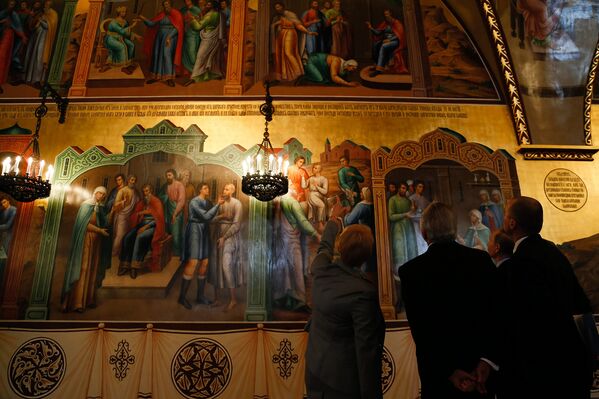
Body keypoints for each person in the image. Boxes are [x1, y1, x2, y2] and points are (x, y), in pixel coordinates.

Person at [399, 202, 499, 398]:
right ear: (454, 230)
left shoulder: (411, 271)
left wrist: (448, 371)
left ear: (424, 233)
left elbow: (421, 330)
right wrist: (487, 361)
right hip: (480, 375)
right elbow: (497, 314)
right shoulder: (481, 261)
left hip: (439, 378)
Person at [500, 196, 592, 398]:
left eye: (506, 215)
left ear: (512, 223)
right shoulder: (553, 251)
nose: (504, 219)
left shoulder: (520, 262)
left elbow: (522, 319)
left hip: (541, 367)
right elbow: (580, 302)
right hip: (571, 358)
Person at [305, 218, 385, 399]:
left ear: (339, 247)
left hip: (315, 371)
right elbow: (367, 352)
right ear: (367, 254)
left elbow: (324, 247)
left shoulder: (320, 269)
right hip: (344, 384)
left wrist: (333, 220)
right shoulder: (363, 292)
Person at [61, 187, 111, 313]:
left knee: (92, 270)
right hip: (85, 240)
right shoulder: (86, 205)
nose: (102, 196)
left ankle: (88, 300)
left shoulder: (98, 207)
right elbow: (84, 225)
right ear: (95, 193)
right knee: (83, 269)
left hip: (96, 242)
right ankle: (77, 302)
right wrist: (99, 230)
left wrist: (113, 210)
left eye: (104, 195)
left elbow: (104, 222)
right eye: (100, 194)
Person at [271, 185, 320, 311]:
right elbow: (302, 221)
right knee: (296, 269)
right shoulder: (292, 202)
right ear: (290, 190)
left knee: (285, 269)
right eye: (293, 187)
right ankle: (299, 301)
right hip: (292, 240)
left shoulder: (279, 202)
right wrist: (315, 234)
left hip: (282, 239)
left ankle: (285, 299)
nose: (296, 190)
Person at [178, 182, 223, 309]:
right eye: (205, 188)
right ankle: (182, 297)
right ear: (200, 190)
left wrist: (221, 217)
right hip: (195, 231)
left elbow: (210, 219)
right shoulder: (194, 202)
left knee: (205, 262)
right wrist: (218, 205)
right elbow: (206, 216)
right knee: (193, 262)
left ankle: (200, 296)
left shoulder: (208, 203)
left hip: (204, 231)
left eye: (208, 187)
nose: (207, 189)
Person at [119, 184, 166, 278]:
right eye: (144, 191)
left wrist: (146, 226)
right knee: (127, 237)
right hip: (141, 225)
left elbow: (159, 220)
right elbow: (135, 214)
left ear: (151, 191)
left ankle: (134, 267)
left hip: (153, 227)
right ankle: (125, 265)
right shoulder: (142, 202)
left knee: (140, 237)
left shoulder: (157, 202)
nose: (145, 193)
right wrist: (140, 214)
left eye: (147, 191)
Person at [209, 183, 243, 311]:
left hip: (230, 237)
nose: (224, 190)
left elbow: (237, 225)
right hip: (218, 235)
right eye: (224, 188)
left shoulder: (237, 204)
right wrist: (221, 215)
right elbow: (211, 220)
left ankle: (233, 299)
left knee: (226, 265)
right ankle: (217, 299)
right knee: (215, 266)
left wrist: (225, 237)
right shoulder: (219, 203)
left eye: (227, 189)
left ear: (232, 191)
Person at [140, 0, 184, 87]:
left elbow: (178, 28)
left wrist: (169, 37)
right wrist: (142, 18)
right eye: (164, 5)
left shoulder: (176, 14)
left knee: (166, 55)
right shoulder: (161, 14)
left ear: (171, 5)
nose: (166, 7)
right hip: (159, 37)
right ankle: (156, 76)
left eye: (167, 5)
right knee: (157, 55)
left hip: (170, 38)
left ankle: (169, 78)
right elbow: (151, 24)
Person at [270, 1, 317, 82]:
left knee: (288, 53)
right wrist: (275, 25)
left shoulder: (290, 14)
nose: (277, 9)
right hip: (281, 36)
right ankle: (289, 75)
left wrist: (308, 32)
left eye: (278, 7)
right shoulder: (277, 17)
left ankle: (299, 74)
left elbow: (298, 25)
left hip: (290, 33)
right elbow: (277, 24)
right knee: (283, 54)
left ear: (282, 7)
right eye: (276, 8)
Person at [184, 0, 225, 84]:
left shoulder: (210, 15)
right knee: (212, 56)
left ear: (212, 5)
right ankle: (215, 74)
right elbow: (205, 22)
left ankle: (194, 77)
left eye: (208, 4)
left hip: (208, 38)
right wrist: (198, 19)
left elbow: (198, 26)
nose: (206, 5)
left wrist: (192, 19)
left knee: (200, 56)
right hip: (214, 37)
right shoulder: (217, 13)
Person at [22, 0, 57, 87]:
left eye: (47, 5)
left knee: (40, 58)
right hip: (37, 38)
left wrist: (41, 20)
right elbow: (34, 25)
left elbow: (48, 26)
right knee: (33, 58)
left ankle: (37, 79)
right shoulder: (42, 14)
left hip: (44, 40)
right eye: (45, 5)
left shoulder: (53, 14)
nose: (45, 7)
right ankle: (29, 78)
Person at [366, 9, 408, 77]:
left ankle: (379, 70)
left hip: (396, 42)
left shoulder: (397, 23)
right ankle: (378, 64)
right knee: (376, 45)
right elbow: (378, 33)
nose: (386, 16)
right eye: (385, 14)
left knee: (384, 46)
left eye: (387, 14)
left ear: (391, 14)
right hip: (387, 41)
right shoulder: (385, 23)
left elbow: (399, 35)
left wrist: (390, 40)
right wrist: (371, 28)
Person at [388, 182, 416, 273]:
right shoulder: (392, 200)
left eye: (405, 189)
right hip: (398, 228)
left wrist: (413, 211)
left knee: (411, 249)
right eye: (403, 188)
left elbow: (411, 214)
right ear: (399, 189)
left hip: (408, 227)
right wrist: (405, 214)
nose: (404, 190)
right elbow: (391, 216)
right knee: (399, 250)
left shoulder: (408, 201)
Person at [103, 6, 141, 72]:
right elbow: (122, 31)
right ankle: (124, 66)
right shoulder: (113, 22)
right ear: (119, 13)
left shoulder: (125, 22)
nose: (125, 13)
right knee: (122, 47)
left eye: (125, 12)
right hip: (111, 39)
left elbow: (126, 33)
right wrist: (132, 26)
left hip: (120, 37)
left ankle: (129, 63)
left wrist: (136, 36)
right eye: (123, 12)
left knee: (131, 45)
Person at [111, 173, 140, 259]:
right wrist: (123, 202)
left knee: (127, 235)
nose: (133, 182)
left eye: (134, 180)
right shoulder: (122, 190)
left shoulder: (136, 192)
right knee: (120, 235)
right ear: (128, 180)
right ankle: (113, 253)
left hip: (131, 217)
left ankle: (121, 253)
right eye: (132, 180)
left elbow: (138, 203)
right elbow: (115, 204)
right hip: (122, 216)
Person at [0, 0, 26, 94]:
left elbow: (17, 27)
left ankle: (1, 81)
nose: (11, 6)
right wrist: (2, 21)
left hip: (8, 38)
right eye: (10, 4)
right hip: (2, 36)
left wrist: (22, 36)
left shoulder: (14, 14)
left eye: (13, 5)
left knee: (4, 58)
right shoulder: (3, 13)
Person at [159, 168, 186, 256]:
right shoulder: (164, 186)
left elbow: (181, 201)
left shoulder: (179, 185)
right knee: (168, 233)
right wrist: (165, 197)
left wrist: (175, 214)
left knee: (176, 234)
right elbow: (159, 197)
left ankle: (177, 255)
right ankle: (169, 254)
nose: (168, 177)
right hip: (167, 212)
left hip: (176, 211)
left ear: (174, 175)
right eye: (167, 176)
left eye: (169, 175)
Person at [180, 0, 202, 75]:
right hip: (185, 33)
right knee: (186, 52)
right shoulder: (182, 10)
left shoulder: (197, 9)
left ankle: (196, 71)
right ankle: (190, 71)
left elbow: (201, 21)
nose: (186, 1)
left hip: (193, 33)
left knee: (192, 52)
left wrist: (193, 18)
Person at [305, 163, 328, 232]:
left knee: (324, 203)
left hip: (320, 196)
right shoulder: (311, 178)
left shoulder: (324, 179)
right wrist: (303, 178)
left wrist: (317, 186)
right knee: (322, 205)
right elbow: (304, 186)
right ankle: (319, 223)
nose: (313, 169)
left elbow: (325, 192)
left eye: (315, 168)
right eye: (313, 168)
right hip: (312, 195)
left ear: (319, 170)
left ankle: (320, 223)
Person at [409, 181, 429, 255]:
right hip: (415, 220)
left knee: (424, 238)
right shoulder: (411, 198)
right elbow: (411, 211)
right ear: (415, 187)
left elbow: (428, 207)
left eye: (422, 187)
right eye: (419, 186)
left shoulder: (423, 198)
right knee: (418, 238)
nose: (421, 188)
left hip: (423, 220)